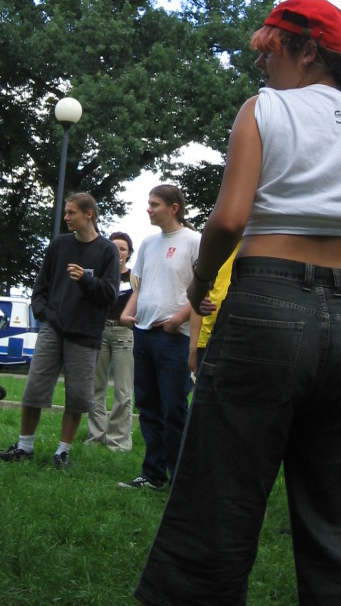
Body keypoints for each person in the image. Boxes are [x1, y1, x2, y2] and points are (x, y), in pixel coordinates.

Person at [134, 0, 341, 606]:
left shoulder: (264, 109)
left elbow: (229, 220)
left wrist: (200, 283)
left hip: (265, 303)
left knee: (221, 492)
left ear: (306, 52)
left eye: (270, 50)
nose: (262, 64)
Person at [0, 193, 119, 469]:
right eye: (66, 212)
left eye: (71, 212)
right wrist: (45, 315)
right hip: (53, 329)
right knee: (34, 389)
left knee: (77, 396)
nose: (66, 217)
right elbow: (40, 287)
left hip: (85, 335)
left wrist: (86, 280)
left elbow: (110, 294)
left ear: (89, 214)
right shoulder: (59, 245)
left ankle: (62, 452)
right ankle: (24, 446)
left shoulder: (107, 250)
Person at [118, 184, 201, 490]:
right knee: (148, 407)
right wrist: (127, 314)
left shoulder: (194, 241)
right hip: (144, 335)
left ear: (173, 208)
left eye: (154, 204)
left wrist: (177, 320)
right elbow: (139, 287)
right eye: (149, 203)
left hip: (173, 339)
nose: (148, 209)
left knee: (174, 409)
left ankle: (181, 480)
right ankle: (153, 474)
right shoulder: (149, 243)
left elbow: (203, 288)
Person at [87, 231, 136, 451]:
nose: (118, 252)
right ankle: (95, 437)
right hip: (100, 332)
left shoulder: (134, 278)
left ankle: (118, 441)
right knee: (96, 387)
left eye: (123, 248)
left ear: (129, 253)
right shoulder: (100, 276)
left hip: (124, 334)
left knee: (123, 391)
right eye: (114, 247)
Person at [188, 246, 236, 378]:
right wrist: (194, 347)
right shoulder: (217, 249)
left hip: (242, 340)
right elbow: (200, 299)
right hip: (207, 341)